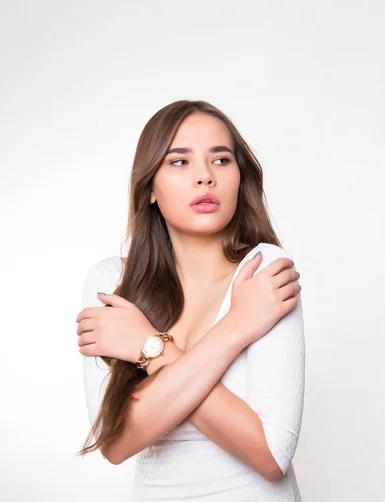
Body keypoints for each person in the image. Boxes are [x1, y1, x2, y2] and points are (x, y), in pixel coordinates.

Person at [75, 100, 306, 501]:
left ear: (239, 177)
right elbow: (116, 444)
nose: (204, 177)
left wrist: (151, 350)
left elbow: (271, 455)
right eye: (179, 162)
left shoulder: (262, 271)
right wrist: (237, 326)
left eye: (221, 160)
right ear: (149, 187)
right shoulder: (112, 282)